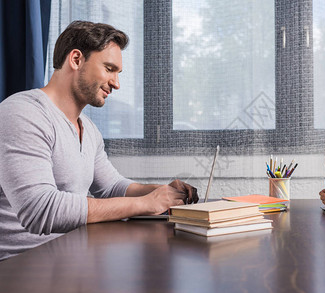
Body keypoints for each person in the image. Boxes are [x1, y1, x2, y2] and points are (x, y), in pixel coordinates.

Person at [0, 21, 198, 261]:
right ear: (76, 60)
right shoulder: (22, 113)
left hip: (71, 257)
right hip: (21, 268)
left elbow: (111, 187)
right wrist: (147, 203)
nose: (116, 83)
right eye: (109, 68)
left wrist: (161, 191)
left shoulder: (89, 129)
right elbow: (40, 211)